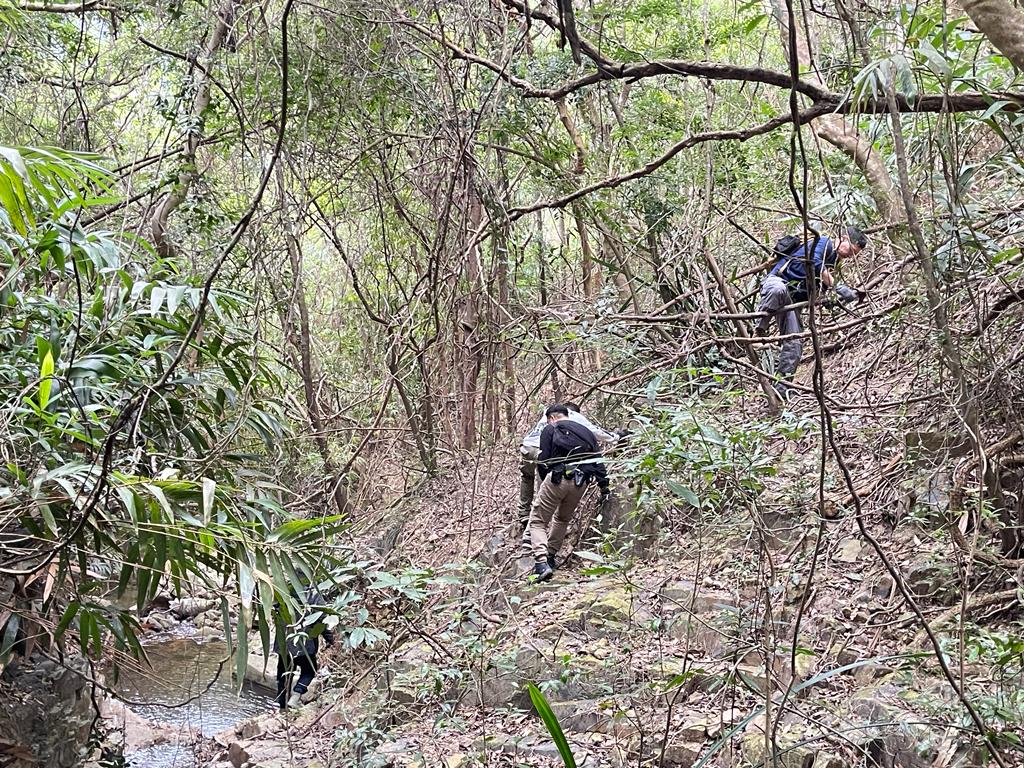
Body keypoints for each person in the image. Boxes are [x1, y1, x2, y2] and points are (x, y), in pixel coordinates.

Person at [754, 226, 868, 399]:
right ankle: (759, 326)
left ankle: (782, 389)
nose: (850, 256)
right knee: (778, 289)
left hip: (792, 303)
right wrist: (838, 287)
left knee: (795, 343)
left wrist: (833, 299)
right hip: (776, 282)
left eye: (855, 254)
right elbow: (813, 263)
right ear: (843, 238)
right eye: (851, 250)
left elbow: (819, 288)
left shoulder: (833, 261)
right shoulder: (823, 243)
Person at [527, 404, 610, 582]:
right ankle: (551, 556)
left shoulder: (550, 428)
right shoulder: (585, 431)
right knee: (562, 519)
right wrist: (604, 486)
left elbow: (544, 459)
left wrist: (546, 479)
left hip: (557, 478)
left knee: (538, 521)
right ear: (567, 415)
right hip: (581, 482)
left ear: (551, 418)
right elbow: (598, 460)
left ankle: (541, 563)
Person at [517, 402, 618, 548]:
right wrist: (616, 437)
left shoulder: (547, 417)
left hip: (527, 447)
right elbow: (596, 434)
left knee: (527, 478)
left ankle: (524, 514)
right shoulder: (570, 419)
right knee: (551, 507)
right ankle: (536, 542)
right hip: (558, 466)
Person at [275, 587, 334, 709]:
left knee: (284, 674)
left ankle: (281, 704)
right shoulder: (312, 593)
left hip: (284, 642)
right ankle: (296, 696)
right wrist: (329, 637)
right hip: (304, 643)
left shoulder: (284, 588)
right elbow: (322, 616)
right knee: (308, 671)